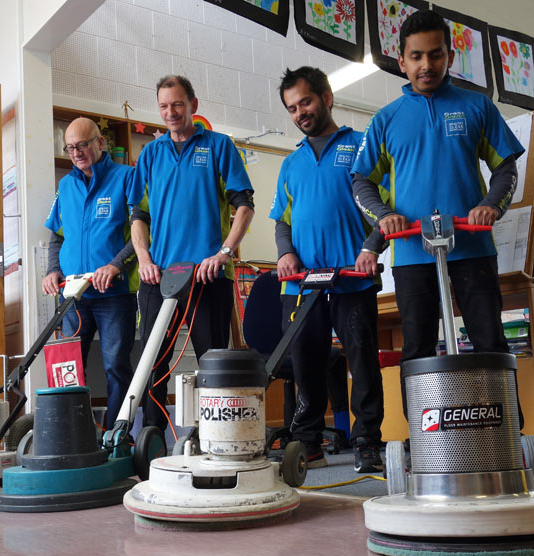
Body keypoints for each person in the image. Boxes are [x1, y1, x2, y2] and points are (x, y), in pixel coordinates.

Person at [351, 9, 525, 417]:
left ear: (448, 56)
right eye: (416, 56)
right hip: (412, 252)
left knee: (489, 340)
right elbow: (362, 183)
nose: (426, 65)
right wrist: (383, 216)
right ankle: (425, 442)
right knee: (417, 348)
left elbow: (506, 168)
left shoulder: (476, 107)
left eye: (435, 54)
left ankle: (505, 435)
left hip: (472, 247)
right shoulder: (386, 119)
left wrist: (490, 205)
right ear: (402, 61)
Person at [270, 66, 385, 473]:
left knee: (363, 360)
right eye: (292, 107)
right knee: (305, 362)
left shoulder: (361, 146)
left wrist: (372, 245)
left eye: (306, 101)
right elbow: (282, 220)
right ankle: (307, 440)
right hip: (303, 285)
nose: (300, 112)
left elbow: (383, 210)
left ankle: (368, 440)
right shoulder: (291, 163)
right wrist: (285, 254)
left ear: (327, 97)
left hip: (351, 281)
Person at [129, 75, 254, 433]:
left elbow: (244, 206)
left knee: (213, 364)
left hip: (207, 275)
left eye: (178, 104)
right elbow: (138, 216)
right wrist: (144, 260)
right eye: (164, 106)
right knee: (152, 363)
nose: (171, 112)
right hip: (159, 277)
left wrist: (224, 253)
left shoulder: (219, 146)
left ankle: (213, 436)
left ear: (193, 105)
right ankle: (151, 439)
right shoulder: (150, 154)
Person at [43, 117, 138, 430]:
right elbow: (57, 236)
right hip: (73, 295)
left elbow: (140, 234)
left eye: (82, 145)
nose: (76, 152)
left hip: (115, 295)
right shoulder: (65, 185)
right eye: (70, 147)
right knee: (69, 367)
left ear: (101, 143)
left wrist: (115, 264)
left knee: (116, 368)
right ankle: (73, 435)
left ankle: (116, 436)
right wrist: (53, 270)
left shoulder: (127, 177)